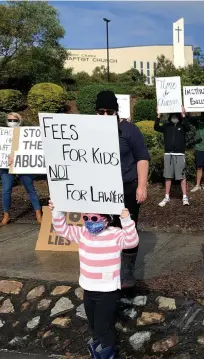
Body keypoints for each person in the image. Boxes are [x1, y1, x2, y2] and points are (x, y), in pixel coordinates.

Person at [48, 199, 138, 359]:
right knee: (94, 325)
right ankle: (98, 351)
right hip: (88, 289)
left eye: (94, 218)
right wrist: (57, 210)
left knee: (103, 326)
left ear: (107, 219)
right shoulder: (83, 233)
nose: (89, 222)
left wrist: (126, 219)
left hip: (107, 291)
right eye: (86, 218)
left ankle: (108, 353)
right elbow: (61, 229)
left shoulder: (115, 234)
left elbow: (131, 241)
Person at [95, 91, 150, 289]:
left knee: (128, 229)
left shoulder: (129, 130)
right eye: (101, 111)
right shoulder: (90, 130)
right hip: (100, 190)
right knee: (102, 230)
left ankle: (127, 271)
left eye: (109, 111)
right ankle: (106, 267)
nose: (105, 115)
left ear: (116, 112)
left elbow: (142, 157)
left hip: (127, 187)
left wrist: (142, 186)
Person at [0, 113, 42, 226]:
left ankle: (38, 213)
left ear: (19, 121)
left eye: (14, 120)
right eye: (9, 120)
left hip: (23, 165)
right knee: (6, 190)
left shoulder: (26, 134)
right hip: (6, 166)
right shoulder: (2, 134)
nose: (11, 122)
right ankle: (6, 215)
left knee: (30, 189)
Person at [155, 106, 190, 207]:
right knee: (168, 176)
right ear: (170, 117)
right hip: (168, 154)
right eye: (173, 116)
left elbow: (188, 127)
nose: (174, 118)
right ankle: (166, 196)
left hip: (179, 154)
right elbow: (156, 127)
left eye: (176, 116)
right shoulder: (167, 126)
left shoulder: (183, 126)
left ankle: (185, 197)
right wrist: (158, 116)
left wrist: (184, 115)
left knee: (182, 176)